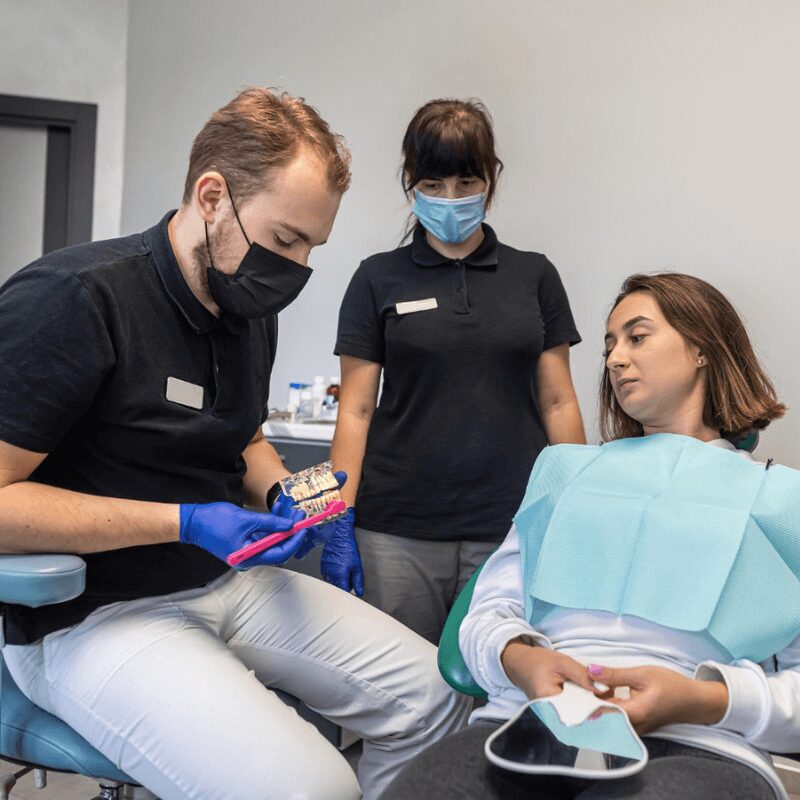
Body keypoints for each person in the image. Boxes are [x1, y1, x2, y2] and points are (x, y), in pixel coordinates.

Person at [0, 88, 469, 800]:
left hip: (226, 582)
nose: (297, 267)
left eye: (312, 246)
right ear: (212, 195)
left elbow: (239, 427)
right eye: (286, 240)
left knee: (441, 706)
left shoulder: (247, 307)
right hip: (93, 616)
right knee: (313, 788)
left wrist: (286, 491)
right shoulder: (75, 299)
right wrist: (183, 520)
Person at [382, 272, 795, 800]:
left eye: (637, 337)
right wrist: (523, 660)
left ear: (701, 348)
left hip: (702, 739)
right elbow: (488, 613)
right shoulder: (564, 472)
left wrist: (703, 698)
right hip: (530, 722)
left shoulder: (781, 499)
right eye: (609, 346)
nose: (615, 358)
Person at [324, 98, 585, 644]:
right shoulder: (377, 278)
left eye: (467, 182)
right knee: (400, 697)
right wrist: (338, 518)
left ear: (491, 180)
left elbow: (558, 402)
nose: (452, 199)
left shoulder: (534, 276)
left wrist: (574, 504)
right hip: (397, 528)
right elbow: (356, 407)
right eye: (435, 184)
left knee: (504, 688)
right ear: (410, 182)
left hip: (513, 524)